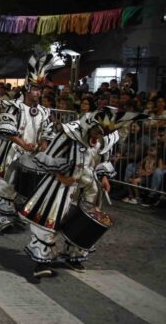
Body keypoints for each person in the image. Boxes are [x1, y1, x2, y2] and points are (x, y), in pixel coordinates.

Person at [20, 108, 146, 277]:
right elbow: (48, 156)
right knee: (52, 219)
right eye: (98, 132)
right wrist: (60, 175)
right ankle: (41, 262)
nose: (99, 136)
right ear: (92, 123)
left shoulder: (105, 137)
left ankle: (73, 256)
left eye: (104, 133)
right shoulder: (70, 132)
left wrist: (103, 177)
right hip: (63, 182)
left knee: (84, 220)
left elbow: (102, 157)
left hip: (87, 183)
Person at [0, 53, 60, 231]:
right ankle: (4, 218)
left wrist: (42, 144)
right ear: (27, 87)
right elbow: (6, 128)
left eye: (40, 90)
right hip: (11, 153)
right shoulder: (14, 106)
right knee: (7, 184)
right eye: (35, 89)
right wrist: (23, 144)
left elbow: (47, 132)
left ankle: (16, 214)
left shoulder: (43, 111)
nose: (38, 93)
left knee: (24, 186)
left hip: (30, 154)